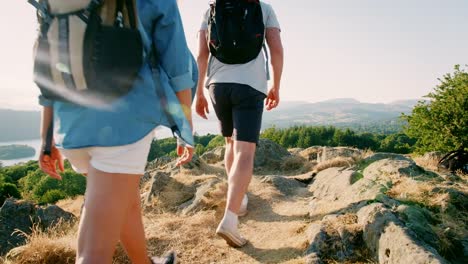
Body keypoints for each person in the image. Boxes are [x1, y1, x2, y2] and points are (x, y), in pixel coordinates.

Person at [37, 0, 196, 263]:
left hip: (71, 124)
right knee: (92, 254)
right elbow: (178, 65)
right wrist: (184, 128)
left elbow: (47, 61)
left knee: (124, 199)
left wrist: (47, 138)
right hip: (123, 123)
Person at [196, 0, 284, 247]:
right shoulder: (262, 8)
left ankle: (240, 198)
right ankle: (230, 218)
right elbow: (275, 48)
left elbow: (202, 54)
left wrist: (199, 93)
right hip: (250, 84)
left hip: (217, 86)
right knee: (245, 150)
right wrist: (276, 84)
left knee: (229, 144)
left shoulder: (211, 10)